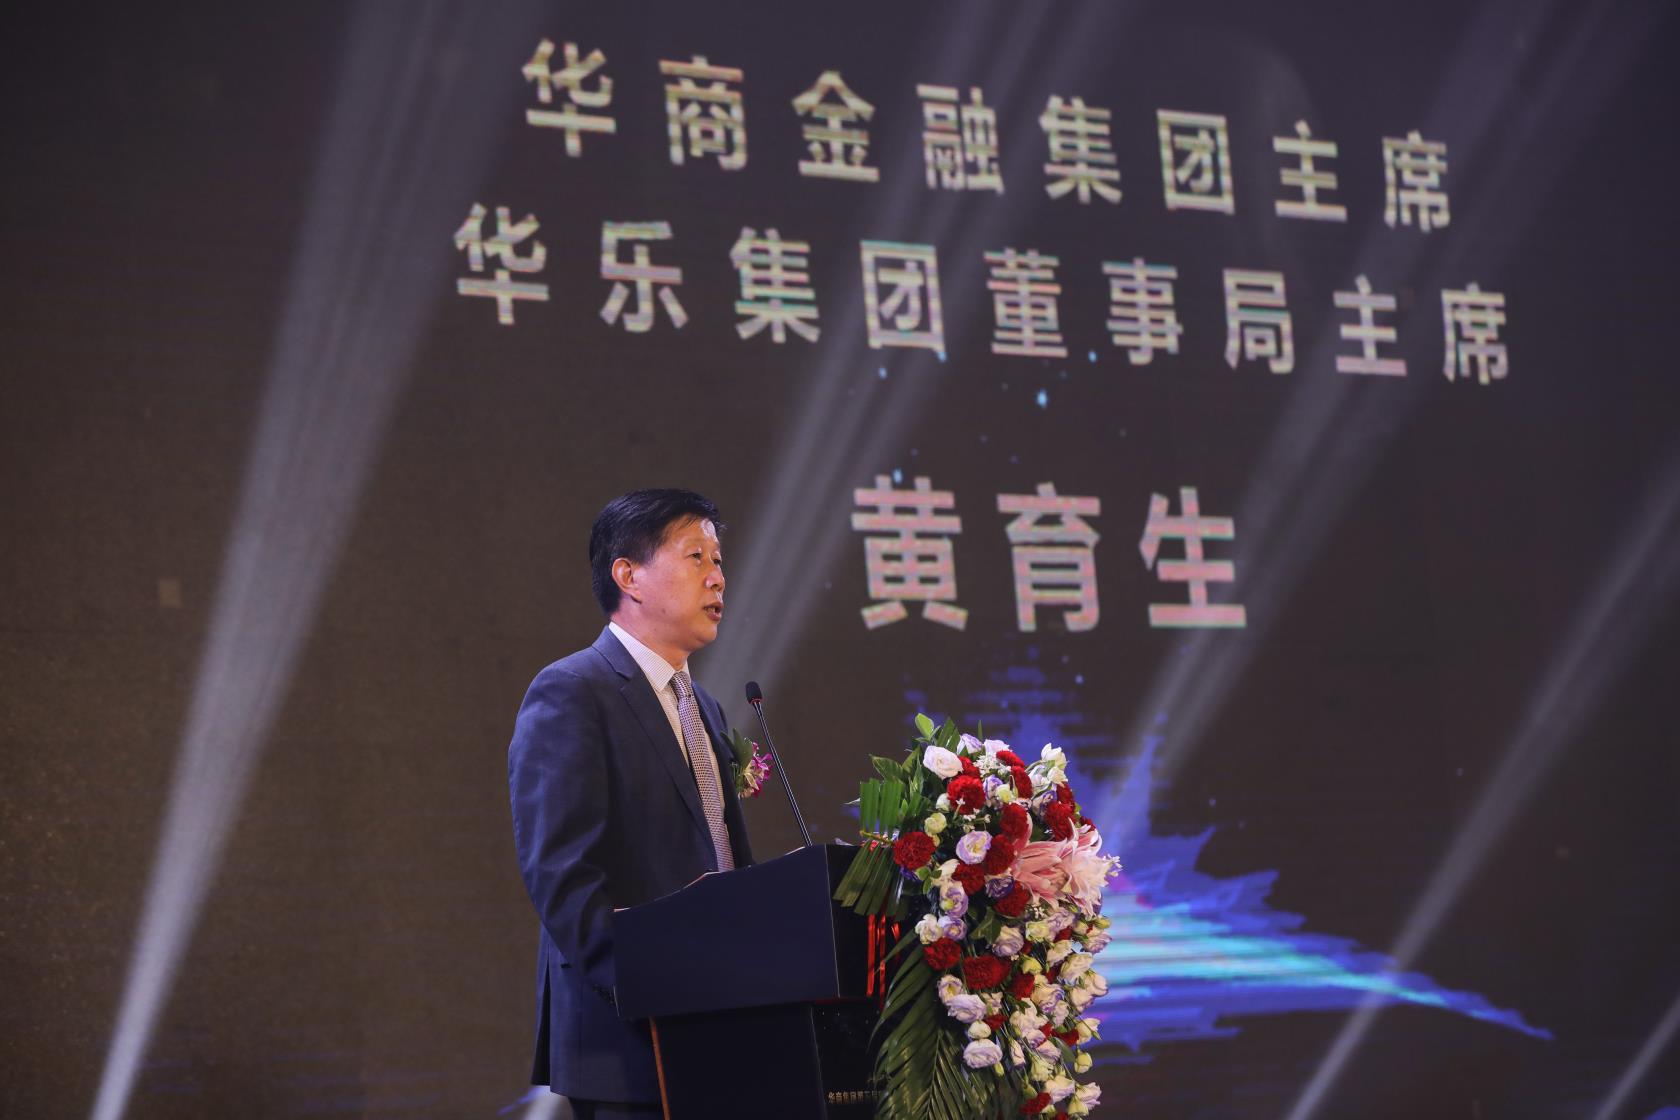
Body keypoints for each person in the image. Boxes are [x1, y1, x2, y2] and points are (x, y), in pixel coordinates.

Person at [507, 489, 754, 1120]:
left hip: (722, 1027)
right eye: (696, 556)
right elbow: (561, 872)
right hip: (629, 1041)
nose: (718, 576)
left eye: (719, 560)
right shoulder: (573, 690)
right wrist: (647, 986)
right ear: (629, 575)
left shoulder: (706, 706)